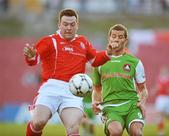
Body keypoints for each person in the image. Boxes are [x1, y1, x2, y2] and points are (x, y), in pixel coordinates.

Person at [23, 8, 116, 136]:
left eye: (72, 24)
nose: (68, 27)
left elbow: (94, 60)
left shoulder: (83, 42)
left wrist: (107, 54)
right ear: (59, 24)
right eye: (65, 24)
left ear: (77, 25)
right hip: (50, 88)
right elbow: (34, 59)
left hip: (73, 91)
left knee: (73, 128)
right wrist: (31, 56)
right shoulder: (50, 41)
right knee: (38, 121)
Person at [92, 24, 148, 136]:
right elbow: (97, 89)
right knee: (116, 131)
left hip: (132, 105)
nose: (116, 39)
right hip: (110, 106)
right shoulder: (98, 62)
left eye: (120, 37)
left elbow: (143, 89)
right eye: (113, 36)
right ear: (109, 38)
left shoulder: (135, 62)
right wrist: (94, 101)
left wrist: (142, 102)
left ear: (125, 40)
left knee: (137, 133)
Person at [154, 66, 169, 136]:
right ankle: (161, 131)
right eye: (162, 70)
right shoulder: (159, 78)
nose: (163, 72)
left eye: (164, 70)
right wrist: (154, 90)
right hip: (161, 97)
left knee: (168, 113)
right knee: (159, 113)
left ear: (167, 71)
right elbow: (158, 87)